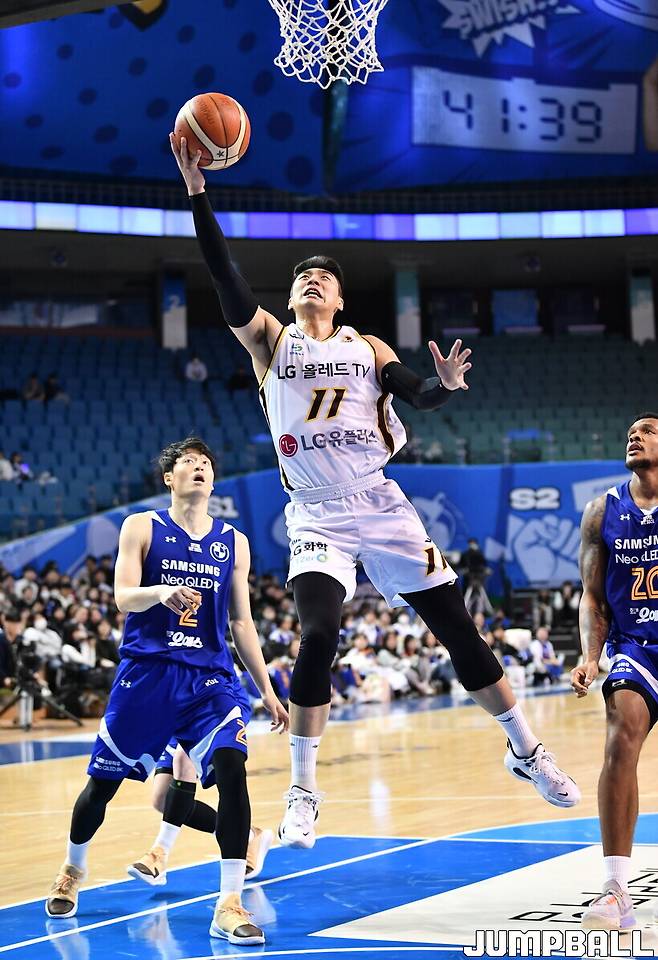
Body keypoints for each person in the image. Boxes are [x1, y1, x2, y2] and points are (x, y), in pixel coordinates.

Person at [172, 134, 580, 851]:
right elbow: (223, 273)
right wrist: (198, 192)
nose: (312, 282)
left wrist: (443, 388)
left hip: (378, 502)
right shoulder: (271, 342)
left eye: (323, 279)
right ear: (290, 297)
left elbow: (416, 393)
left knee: (456, 628)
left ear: (340, 298)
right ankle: (303, 791)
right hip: (316, 514)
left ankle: (526, 750)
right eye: (303, 278)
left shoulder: (367, 348)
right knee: (318, 637)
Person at [45, 436, 288, 947]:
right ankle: (72, 868)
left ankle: (229, 902)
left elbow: (241, 622)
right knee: (101, 786)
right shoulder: (141, 527)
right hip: (148, 674)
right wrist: (161, 592)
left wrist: (266, 689)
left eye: (205, 464)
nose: (198, 468)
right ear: (169, 478)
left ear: (213, 481)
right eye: (187, 463)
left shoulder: (234, 542)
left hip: (210, 680)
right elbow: (122, 597)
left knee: (232, 768)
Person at [571, 413, 658, 931]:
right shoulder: (601, 511)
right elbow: (593, 597)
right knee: (620, 735)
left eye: (648, 431)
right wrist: (589, 656)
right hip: (636, 647)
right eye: (631, 432)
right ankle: (616, 889)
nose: (635, 435)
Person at [128, 739, 273, 885]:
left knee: (183, 760)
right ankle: (247, 836)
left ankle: (158, 854)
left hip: (204, 726)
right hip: (172, 728)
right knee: (163, 800)